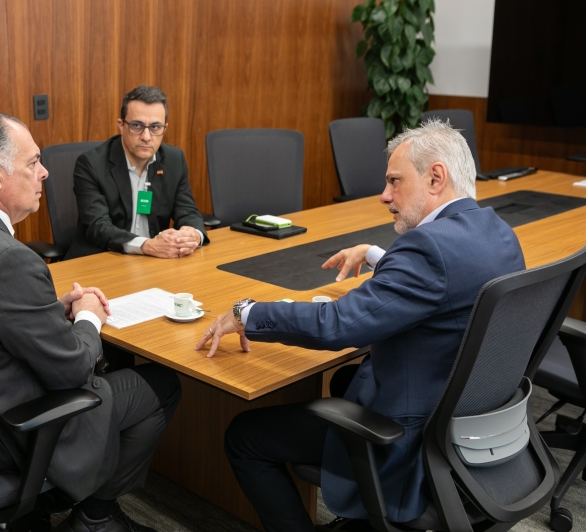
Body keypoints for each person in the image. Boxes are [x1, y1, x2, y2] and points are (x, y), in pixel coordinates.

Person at [194, 120, 526, 531]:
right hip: (465, 430)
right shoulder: (497, 231)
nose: (385, 196)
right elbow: (447, 280)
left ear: (435, 177)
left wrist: (247, 312)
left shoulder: (427, 247)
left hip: (409, 439)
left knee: (245, 435)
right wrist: (375, 254)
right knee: (346, 380)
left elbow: (337, 325)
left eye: (394, 181)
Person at [0, 110, 181, 532]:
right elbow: (71, 369)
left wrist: (49, 309)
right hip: (6, 428)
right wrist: (88, 318)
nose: (45, 172)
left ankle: (33, 515)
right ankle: (95, 519)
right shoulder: (8, 259)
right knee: (160, 385)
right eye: (33, 162)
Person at [65, 85, 208, 259]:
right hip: (104, 258)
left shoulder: (174, 159)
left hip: (155, 261)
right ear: (121, 125)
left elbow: (188, 212)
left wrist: (191, 234)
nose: (146, 136)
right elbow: (98, 227)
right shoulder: (91, 164)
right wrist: (146, 245)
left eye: (155, 127)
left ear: (165, 128)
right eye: (137, 126)